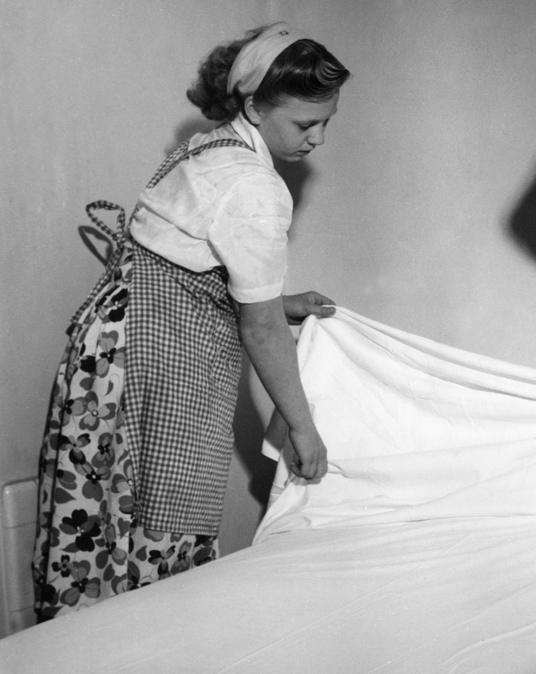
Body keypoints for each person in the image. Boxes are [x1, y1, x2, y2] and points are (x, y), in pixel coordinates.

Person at [32, 22, 349, 620]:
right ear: (254, 106)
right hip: (159, 365)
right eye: (306, 124)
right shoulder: (256, 186)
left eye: (326, 122)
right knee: (160, 521)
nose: (318, 139)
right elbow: (256, 330)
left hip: (109, 355)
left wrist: (278, 300)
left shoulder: (207, 147)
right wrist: (301, 428)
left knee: (100, 525)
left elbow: (187, 267)